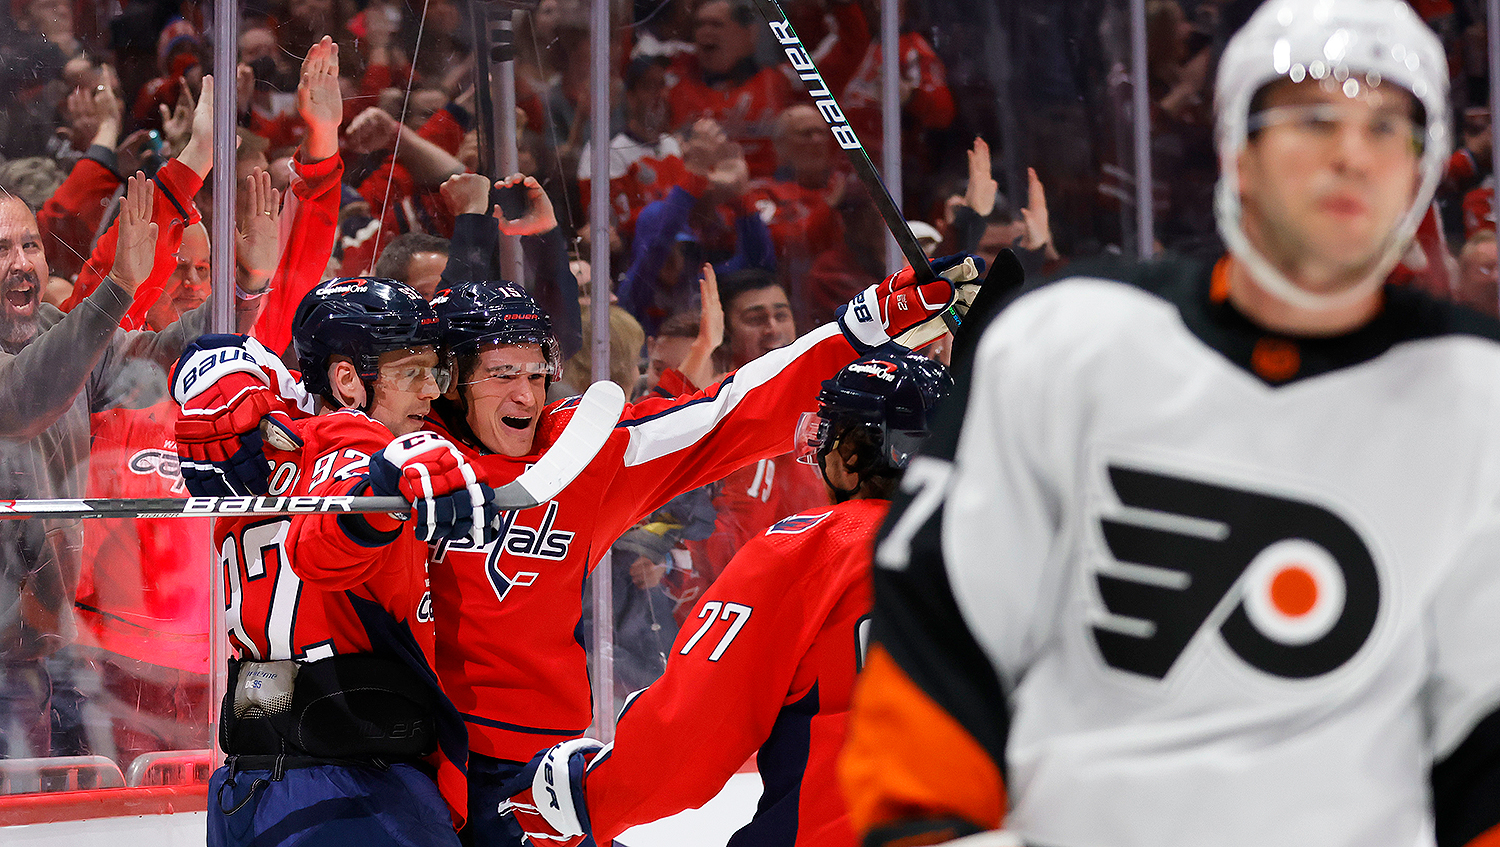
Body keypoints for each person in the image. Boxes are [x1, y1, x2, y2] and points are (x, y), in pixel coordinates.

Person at [839, 3, 1500, 846]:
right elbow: (944, 633)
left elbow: (1487, 736)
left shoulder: (1480, 398)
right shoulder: (1066, 343)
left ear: (1423, 171)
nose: (1351, 154)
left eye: (1389, 128)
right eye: (1313, 118)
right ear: (1237, 148)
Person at [176, 247, 980, 847]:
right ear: (447, 376)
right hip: (411, 770)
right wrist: (217, 376)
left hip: (539, 777)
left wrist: (863, 324)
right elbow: (260, 388)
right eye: (499, 373)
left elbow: (735, 412)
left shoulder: (585, 454)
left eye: (537, 370)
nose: (526, 393)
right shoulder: (385, 455)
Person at [499, 348, 951, 847]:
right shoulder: (1020, 544)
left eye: (826, 437)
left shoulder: (811, 551)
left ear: (848, 458)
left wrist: (588, 797)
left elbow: (692, 731)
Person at [178, 278, 499, 847]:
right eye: (411, 372)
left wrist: (209, 367)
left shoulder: (252, 450)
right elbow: (325, 547)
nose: (431, 392)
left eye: (434, 371)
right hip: (357, 794)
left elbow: (211, 353)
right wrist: (382, 490)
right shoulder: (367, 460)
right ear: (348, 379)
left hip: (244, 788)